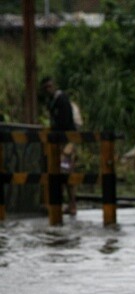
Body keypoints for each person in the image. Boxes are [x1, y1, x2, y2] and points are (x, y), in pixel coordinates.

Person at [41, 76, 78, 215]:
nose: (48, 90)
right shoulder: (52, 101)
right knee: (60, 171)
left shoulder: (61, 100)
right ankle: (63, 203)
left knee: (65, 170)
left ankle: (71, 204)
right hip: (59, 141)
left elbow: (64, 122)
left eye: (50, 86)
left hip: (67, 141)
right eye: (46, 88)